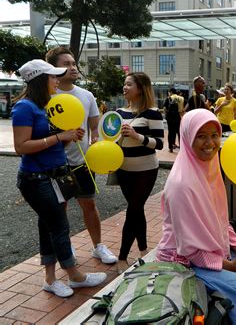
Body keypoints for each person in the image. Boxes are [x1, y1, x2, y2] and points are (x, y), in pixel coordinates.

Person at [157, 109, 236, 324]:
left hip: (217, 249)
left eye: (214, 135)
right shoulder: (181, 185)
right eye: (201, 136)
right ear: (187, 137)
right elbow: (191, 251)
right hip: (187, 261)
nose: (210, 143)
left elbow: (221, 221)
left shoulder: (209, 168)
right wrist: (231, 266)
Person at [12, 59, 106, 298]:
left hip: (54, 176)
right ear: (41, 80)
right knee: (59, 226)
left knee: (48, 226)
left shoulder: (48, 105)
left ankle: (50, 279)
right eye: (53, 77)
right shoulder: (25, 107)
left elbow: (54, 139)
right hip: (36, 179)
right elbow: (21, 146)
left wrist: (69, 136)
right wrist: (59, 137)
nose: (57, 81)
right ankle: (74, 275)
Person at [45, 47, 117, 265]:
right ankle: (67, 247)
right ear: (54, 69)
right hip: (57, 164)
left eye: (74, 63)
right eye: (66, 64)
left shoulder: (86, 95)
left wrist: (95, 138)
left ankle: (98, 246)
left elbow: (94, 127)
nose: (73, 67)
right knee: (61, 208)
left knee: (90, 206)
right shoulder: (48, 97)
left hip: (84, 162)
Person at [116, 72, 165, 273]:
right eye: (124, 84)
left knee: (133, 210)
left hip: (145, 170)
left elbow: (159, 143)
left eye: (129, 84)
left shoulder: (152, 113)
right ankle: (144, 249)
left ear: (141, 88)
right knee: (136, 210)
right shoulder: (118, 112)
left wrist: (138, 136)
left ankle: (122, 257)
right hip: (123, 169)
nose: (125, 88)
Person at [163, 88, 183, 153]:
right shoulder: (181, 98)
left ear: (171, 92)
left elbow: (164, 108)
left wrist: (166, 114)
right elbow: (183, 109)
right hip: (178, 118)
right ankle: (181, 148)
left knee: (171, 132)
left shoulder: (168, 98)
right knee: (179, 133)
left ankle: (170, 148)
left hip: (170, 119)